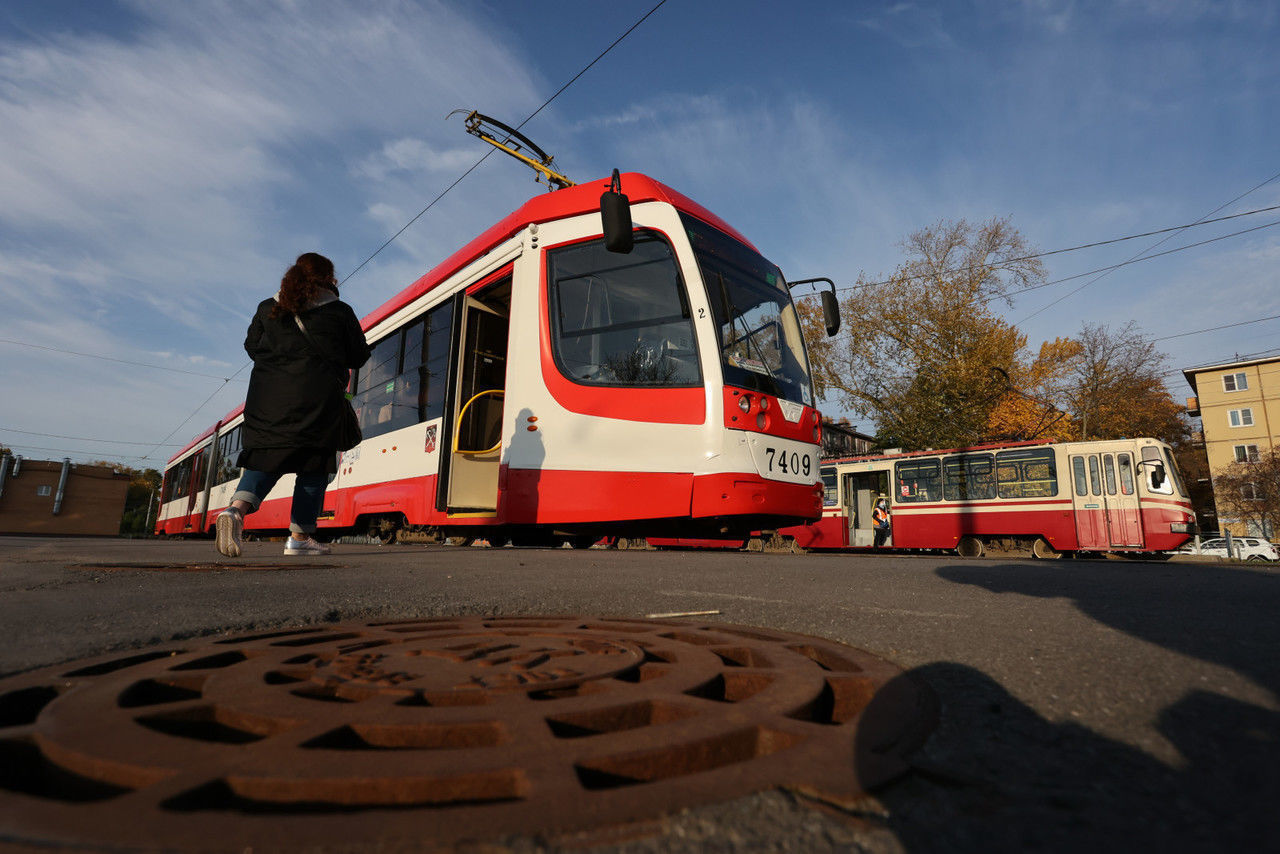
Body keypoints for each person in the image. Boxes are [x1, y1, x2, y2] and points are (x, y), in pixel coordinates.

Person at [215, 253, 371, 557]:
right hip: (317, 402)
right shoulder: (338, 312)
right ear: (329, 279)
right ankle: (299, 538)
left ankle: (235, 510)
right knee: (314, 465)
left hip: (266, 402)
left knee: (266, 460)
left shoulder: (267, 308)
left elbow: (252, 347)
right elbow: (358, 356)